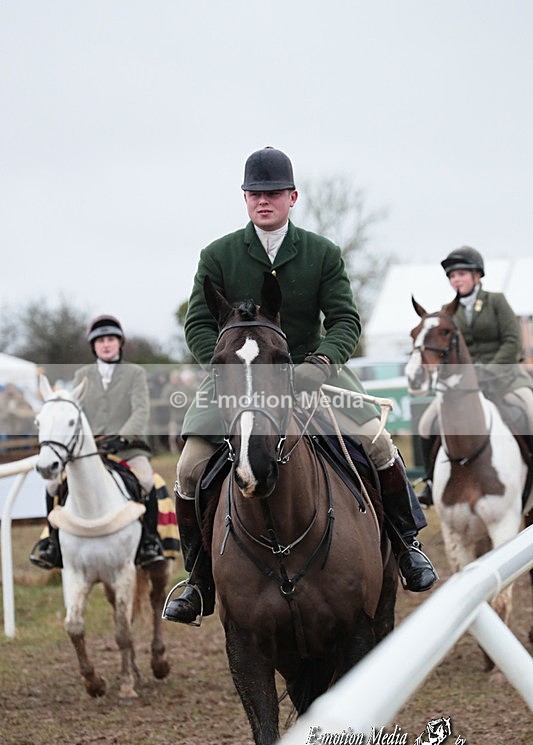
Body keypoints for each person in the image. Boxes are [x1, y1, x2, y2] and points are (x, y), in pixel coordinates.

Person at [163, 146, 437, 625]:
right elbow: (198, 325)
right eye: (254, 193)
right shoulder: (217, 254)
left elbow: (345, 320)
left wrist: (320, 364)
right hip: (237, 377)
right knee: (188, 469)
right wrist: (226, 367)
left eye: (272, 193)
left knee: (377, 443)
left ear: (292, 197)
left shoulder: (322, 252)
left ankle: (406, 546)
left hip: (313, 374)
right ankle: (199, 579)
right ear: (244, 198)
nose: (262, 200)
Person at [30, 315, 165, 570]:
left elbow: (140, 411)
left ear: (120, 343)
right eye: (100, 340)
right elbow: (72, 412)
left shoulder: (135, 373)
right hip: (89, 450)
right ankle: (52, 544)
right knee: (52, 484)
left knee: (146, 481)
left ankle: (149, 541)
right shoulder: (82, 374)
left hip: (128, 447)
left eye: (111, 339)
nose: (106, 344)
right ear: (94, 346)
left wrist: (122, 437)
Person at [416, 245, 533, 506]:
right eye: (452, 276)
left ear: (477, 275)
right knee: (425, 423)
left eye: (461, 274)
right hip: (464, 386)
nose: (456, 280)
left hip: (506, 379)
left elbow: (512, 341)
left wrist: (488, 370)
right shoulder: (447, 310)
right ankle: (431, 481)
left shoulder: (496, 301)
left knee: (531, 410)